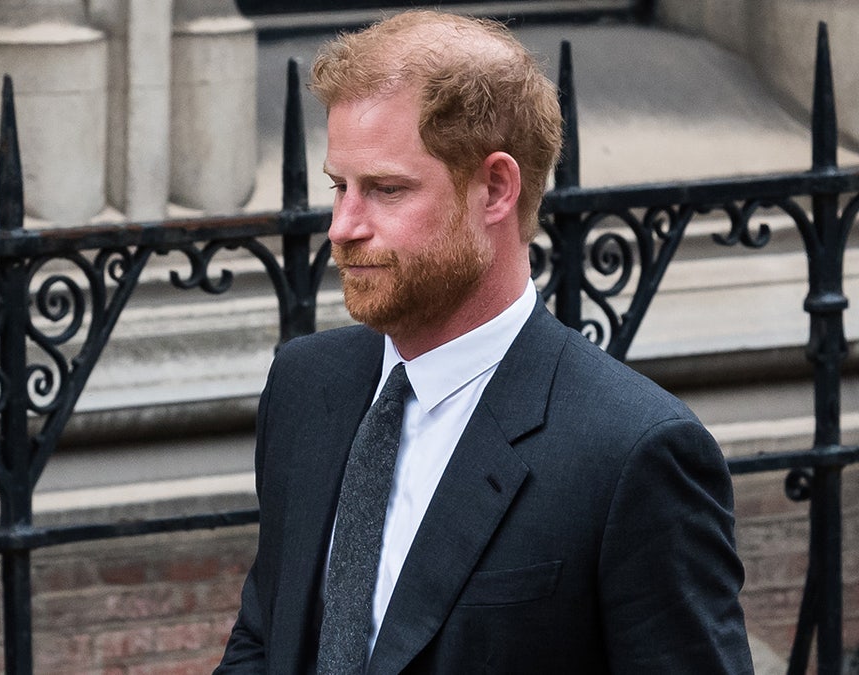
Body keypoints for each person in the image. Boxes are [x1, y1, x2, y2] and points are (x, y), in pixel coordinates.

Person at [216, 10, 753, 674]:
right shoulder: (306, 385)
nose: (343, 226)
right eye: (339, 186)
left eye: (386, 189)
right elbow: (265, 638)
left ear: (495, 188)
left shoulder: (632, 452)